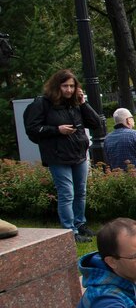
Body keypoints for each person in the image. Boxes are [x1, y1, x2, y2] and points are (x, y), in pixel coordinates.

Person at [24, 69, 102, 243]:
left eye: (72, 86)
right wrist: (57, 130)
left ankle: (80, 224)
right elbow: (32, 128)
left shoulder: (75, 103)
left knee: (80, 191)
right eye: (65, 86)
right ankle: (70, 230)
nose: (68, 90)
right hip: (57, 155)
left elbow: (96, 123)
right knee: (67, 193)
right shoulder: (43, 103)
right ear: (56, 86)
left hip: (78, 153)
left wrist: (83, 103)